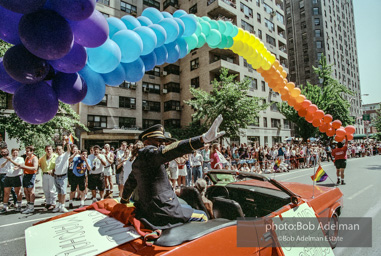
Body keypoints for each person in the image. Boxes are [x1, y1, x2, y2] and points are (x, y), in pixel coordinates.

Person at [121, 115, 225, 229]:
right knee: (203, 216)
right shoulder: (150, 153)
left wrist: (123, 202)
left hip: (147, 211)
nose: (161, 144)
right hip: (163, 211)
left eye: (162, 141)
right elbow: (173, 150)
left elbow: (130, 184)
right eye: (158, 140)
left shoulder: (138, 161)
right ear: (146, 141)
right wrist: (202, 139)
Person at [0, 148, 24, 213]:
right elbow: (1, 166)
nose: (15, 154)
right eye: (13, 153)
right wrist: (7, 161)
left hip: (16, 176)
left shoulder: (20, 159)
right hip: (8, 177)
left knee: (17, 192)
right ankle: (5, 207)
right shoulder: (9, 159)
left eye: (16, 152)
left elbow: (19, 165)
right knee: (6, 192)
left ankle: (19, 205)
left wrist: (11, 160)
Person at [52, 138, 71, 213]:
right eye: (57, 149)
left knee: (63, 192)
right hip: (56, 176)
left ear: (62, 150)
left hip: (63, 176)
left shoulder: (65, 156)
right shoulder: (56, 158)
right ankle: (59, 205)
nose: (58, 150)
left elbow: (69, 150)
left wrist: (67, 143)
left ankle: (63, 206)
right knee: (59, 192)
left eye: (60, 149)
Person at [39, 145, 58, 211]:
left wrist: (53, 170)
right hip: (45, 174)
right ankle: (48, 203)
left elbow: (59, 165)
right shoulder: (43, 158)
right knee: (46, 189)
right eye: (47, 149)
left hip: (52, 175)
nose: (48, 150)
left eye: (50, 149)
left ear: (52, 150)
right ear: (45, 150)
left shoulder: (56, 157)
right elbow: (39, 165)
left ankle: (53, 203)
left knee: (52, 189)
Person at [21, 146, 39, 214]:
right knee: (25, 190)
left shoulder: (34, 158)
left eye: (28, 151)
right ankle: (28, 205)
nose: (27, 152)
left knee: (30, 191)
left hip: (31, 175)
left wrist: (24, 167)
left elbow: (35, 168)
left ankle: (31, 206)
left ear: (32, 151)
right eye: (26, 151)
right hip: (25, 175)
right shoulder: (26, 157)